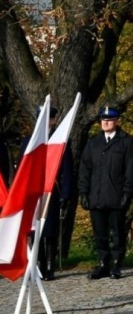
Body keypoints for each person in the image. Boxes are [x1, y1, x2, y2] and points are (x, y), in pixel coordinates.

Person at [78, 105, 133, 280]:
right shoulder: (93, 143)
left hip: (116, 196)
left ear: (117, 121)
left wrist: (127, 194)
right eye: (103, 120)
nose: (106, 122)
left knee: (118, 233)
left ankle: (116, 264)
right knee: (100, 234)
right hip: (96, 197)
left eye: (110, 120)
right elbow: (85, 169)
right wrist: (83, 192)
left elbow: (131, 171)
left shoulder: (127, 142)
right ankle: (103, 263)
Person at [21, 106, 72, 281]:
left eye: (50, 118)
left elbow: (67, 170)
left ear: (54, 120)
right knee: (35, 230)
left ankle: (50, 265)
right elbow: (22, 168)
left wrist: (65, 192)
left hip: (52, 190)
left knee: (50, 229)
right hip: (33, 191)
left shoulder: (60, 141)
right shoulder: (29, 141)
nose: (48, 121)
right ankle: (38, 263)